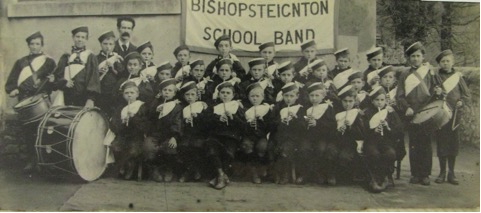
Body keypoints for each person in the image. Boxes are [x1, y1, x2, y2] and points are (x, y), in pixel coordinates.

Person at [5, 31, 56, 171]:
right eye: (32, 44)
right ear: (28, 45)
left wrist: (52, 81)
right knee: (28, 131)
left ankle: (43, 161)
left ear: (42, 45)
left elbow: (52, 83)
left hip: (41, 99)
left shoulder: (49, 62)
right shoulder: (21, 62)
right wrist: (12, 90)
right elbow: (11, 82)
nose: (34, 46)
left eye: (37, 44)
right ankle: (31, 160)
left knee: (44, 130)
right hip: (25, 100)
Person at [396, 41, 444, 185]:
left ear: (423, 57)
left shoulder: (430, 72)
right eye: (412, 56)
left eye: (418, 56)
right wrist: (406, 108)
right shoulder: (404, 74)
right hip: (411, 114)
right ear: (409, 59)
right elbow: (399, 95)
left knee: (426, 144)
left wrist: (439, 92)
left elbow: (440, 90)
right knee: (413, 144)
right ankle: (415, 173)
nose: (415, 59)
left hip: (427, 113)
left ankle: (425, 174)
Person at [434, 50, 471, 185]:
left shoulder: (458, 77)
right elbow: (432, 96)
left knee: (453, 143)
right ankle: (442, 172)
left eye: (447, 61)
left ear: (452, 62)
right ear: (439, 63)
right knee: (442, 142)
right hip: (441, 115)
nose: (445, 63)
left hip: (455, 115)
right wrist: (436, 93)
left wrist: (461, 101)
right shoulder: (436, 77)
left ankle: (452, 173)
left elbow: (466, 95)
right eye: (442, 61)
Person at [205, 82, 246, 189]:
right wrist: (218, 119)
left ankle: (219, 177)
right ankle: (221, 176)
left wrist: (233, 118)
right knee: (212, 150)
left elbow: (243, 125)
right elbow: (206, 122)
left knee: (229, 152)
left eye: (228, 93)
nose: (225, 95)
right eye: (222, 92)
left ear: (233, 95)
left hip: (231, 136)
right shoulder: (213, 107)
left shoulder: (237, 106)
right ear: (218, 94)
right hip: (216, 135)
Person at [363, 86, 403, 192]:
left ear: (386, 100)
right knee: (374, 154)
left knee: (390, 153)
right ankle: (374, 178)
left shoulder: (390, 112)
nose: (379, 103)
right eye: (377, 100)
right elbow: (363, 130)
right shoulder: (367, 113)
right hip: (371, 142)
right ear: (372, 101)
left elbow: (399, 130)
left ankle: (384, 176)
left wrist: (388, 127)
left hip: (386, 141)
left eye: (382, 100)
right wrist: (373, 131)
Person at [145, 78, 183, 182]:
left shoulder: (176, 107)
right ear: (161, 92)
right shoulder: (155, 104)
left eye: (170, 91)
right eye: (165, 90)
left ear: (174, 93)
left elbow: (177, 122)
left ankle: (168, 169)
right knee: (149, 148)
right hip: (154, 135)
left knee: (169, 148)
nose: (167, 92)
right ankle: (154, 169)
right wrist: (155, 112)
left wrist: (174, 137)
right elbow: (148, 119)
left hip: (168, 135)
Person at [110, 81, 150, 180]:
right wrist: (122, 122)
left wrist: (134, 118)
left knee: (133, 150)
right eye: (126, 93)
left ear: (137, 94)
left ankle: (130, 167)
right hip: (123, 135)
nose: (129, 95)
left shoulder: (142, 107)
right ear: (123, 95)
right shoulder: (120, 108)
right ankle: (125, 165)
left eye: (132, 93)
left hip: (136, 135)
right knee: (116, 147)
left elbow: (144, 125)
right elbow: (114, 124)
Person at [53, 26, 100, 107]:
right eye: (77, 36)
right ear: (73, 37)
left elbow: (93, 78)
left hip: (83, 98)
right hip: (66, 97)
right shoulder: (66, 56)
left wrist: (90, 99)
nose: (80, 39)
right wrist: (64, 83)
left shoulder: (90, 56)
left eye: (83, 37)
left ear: (86, 39)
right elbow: (58, 76)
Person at [270, 82, 306, 184]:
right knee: (271, 148)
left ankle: (285, 174)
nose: (289, 99)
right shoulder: (278, 107)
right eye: (286, 96)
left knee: (285, 150)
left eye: (292, 96)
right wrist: (280, 121)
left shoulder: (300, 108)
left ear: (297, 96)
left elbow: (302, 127)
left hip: (292, 137)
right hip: (278, 136)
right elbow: (271, 123)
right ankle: (276, 172)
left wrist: (295, 119)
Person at [303, 82, 338, 185]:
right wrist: (305, 122)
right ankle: (307, 173)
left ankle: (321, 173)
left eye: (317, 95)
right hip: (308, 136)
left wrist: (317, 123)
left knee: (321, 149)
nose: (314, 98)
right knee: (304, 149)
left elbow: (332, 125)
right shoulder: (305, 108)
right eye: (311, 95)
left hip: (322, 136)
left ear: (323, 96)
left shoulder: (327, 108)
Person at [240, 83, 273, 184]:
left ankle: (261, 169)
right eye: (252, 96)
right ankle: (253, 172)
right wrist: (248, 124)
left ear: (262, 97)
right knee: (246, 146)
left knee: (262, 147)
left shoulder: (267, 109)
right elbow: (241, 125)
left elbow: (271, 125)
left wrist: (261, 122)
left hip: (261, 136)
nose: (255, 99)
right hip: (249, 136)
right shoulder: (245, 110)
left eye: (257, 96)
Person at [177, 81, 209, 182]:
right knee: (183, 146)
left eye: (192, 94)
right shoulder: (182, 108)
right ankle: (190, 170)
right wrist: (186, 121)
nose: (190, 97)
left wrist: (198, 117)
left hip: (199, 133)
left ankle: (194, 171)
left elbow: (206, 122)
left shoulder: (202, 105)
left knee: (197, 145)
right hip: (187, 134)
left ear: (197, 96)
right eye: (187, 95)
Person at [335, 86, 366, 183]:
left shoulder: (357, 114)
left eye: (350, 101)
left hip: (351, 143)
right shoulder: (336, 112)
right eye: (345, 101)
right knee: (331, 151)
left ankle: (347, 177)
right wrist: (338, 130)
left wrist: (351, 127)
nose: (347, 104)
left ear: (355, 101)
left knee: (345, 156)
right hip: (337, 141)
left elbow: (361, 134)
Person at [96, 31, 124, 116]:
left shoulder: (117, 59)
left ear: (114, 45)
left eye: (111, 44)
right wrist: (98, 72)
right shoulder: (95, 59)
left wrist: (113, 68)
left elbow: (122, 75)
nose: (108, 47)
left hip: (113, 93)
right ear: (101, 44)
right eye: (105, 44)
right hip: (100, 93)